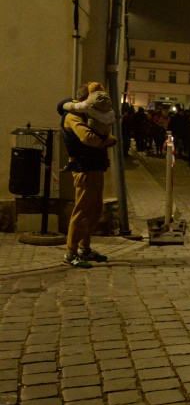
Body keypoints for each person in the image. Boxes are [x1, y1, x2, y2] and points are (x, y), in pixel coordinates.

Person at [58, 82, 117, 268]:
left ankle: (84, 248)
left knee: (94, 211)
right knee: (81, 212)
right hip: (84, 168)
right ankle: (70, 252)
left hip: (95, 167)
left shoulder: (88, 114)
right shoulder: (73, 116)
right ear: (87, 101)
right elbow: (87, 138)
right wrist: (109, 140)